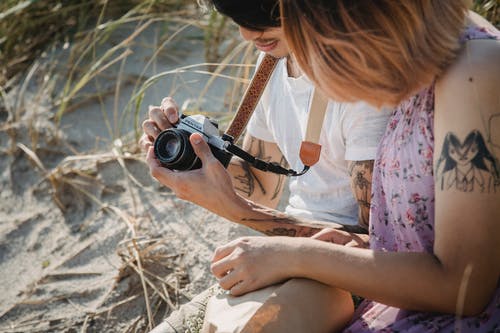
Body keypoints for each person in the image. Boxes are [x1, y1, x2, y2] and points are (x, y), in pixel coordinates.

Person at [205, 1, 500, 332]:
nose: (328, 85)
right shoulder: (428, 55)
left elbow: (464, 289)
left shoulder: (476, 71)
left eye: (321, 50)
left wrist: (296, 255)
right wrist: (349, 246)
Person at [140, 0, 390, 331]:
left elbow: (378, 244)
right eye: (238, 18)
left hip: (346, 277)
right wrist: (192, 160)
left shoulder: (363, 82)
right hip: (278, 259)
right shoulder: (272, 63)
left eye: (262, 18)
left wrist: (234, 210)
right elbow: (261, 187)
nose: (246, 33)